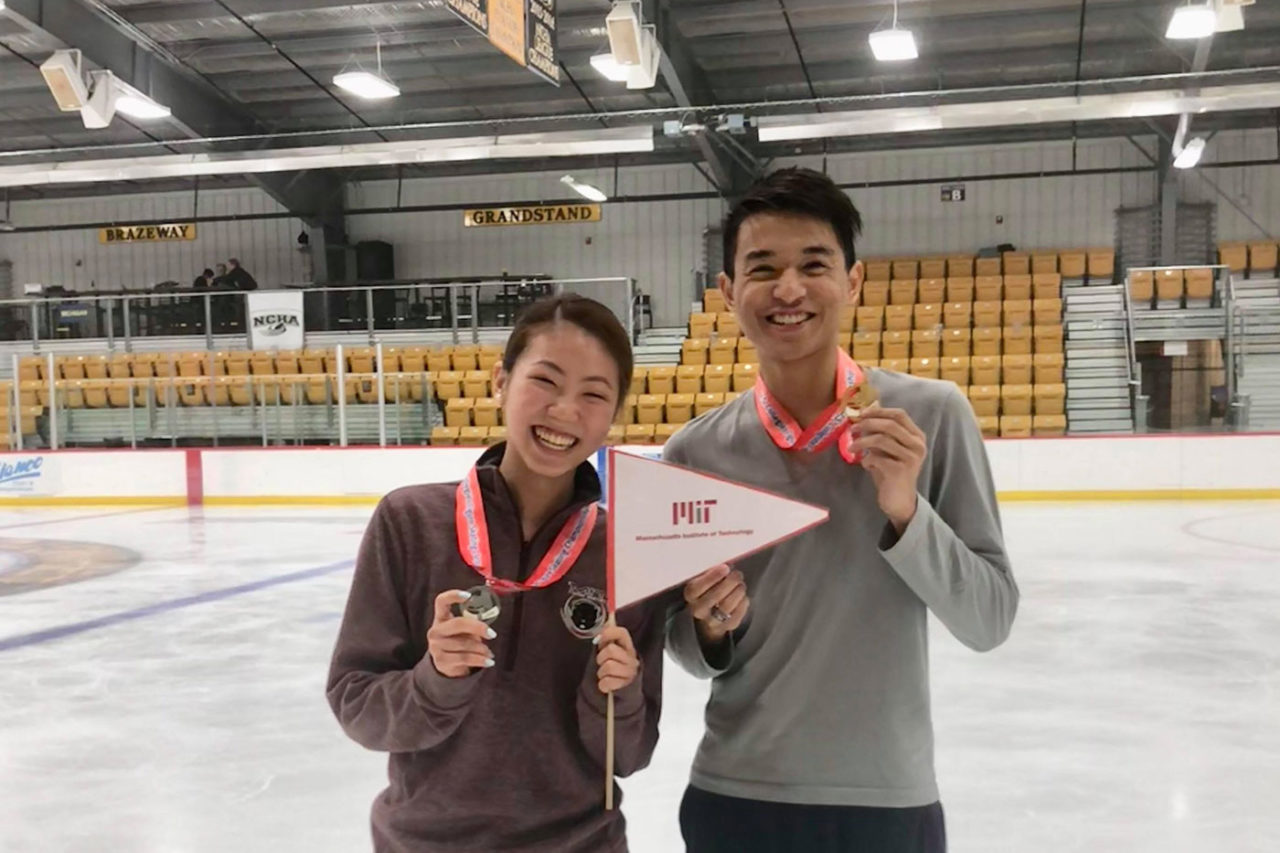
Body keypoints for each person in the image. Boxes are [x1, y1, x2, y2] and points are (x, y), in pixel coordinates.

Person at [662, 167, 1020, 853]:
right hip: (736, 795)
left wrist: (906, 510)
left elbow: (989, 618)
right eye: (762, 268)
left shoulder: (931, 417)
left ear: (853, 282)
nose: (789, 289)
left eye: (813, 265)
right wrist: (709, 631)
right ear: (729, 292)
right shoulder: (695, 449)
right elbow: (681, 642)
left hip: (886, 801)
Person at [327, 293, 733, 852]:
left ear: (612, 416)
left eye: (593, 394)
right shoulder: (409, 521)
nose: (565, 411)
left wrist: (615, 694)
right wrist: (436, 678)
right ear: (501, 381)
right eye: (546, 381)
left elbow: (631, 754)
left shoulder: (627, 548)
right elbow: (358, 707)